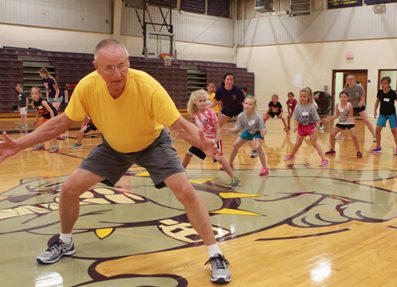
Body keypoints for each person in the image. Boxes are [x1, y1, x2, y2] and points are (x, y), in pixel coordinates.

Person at [0, 39, 231, 284]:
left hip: (153, 143)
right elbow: (61, 123)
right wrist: (19, 145)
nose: (117, 74)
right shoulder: (88, 87)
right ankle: (65, 242)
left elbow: (180, 125)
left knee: (185, 190)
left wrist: (204, 142)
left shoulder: (148, 87)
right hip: (113, 147)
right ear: (96, 66)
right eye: (108, 67)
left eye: (122, 65)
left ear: (129, 62)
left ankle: (215, 253)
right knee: (69, 189)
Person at [182, 89, 240, 187]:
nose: (203, 103)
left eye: (205, 100)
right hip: (201, 141)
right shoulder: (194, 114)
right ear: (194, 102)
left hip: (213, 140)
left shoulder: (211, 113)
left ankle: (234, 177)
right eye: (200, 101)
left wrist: (216, 140)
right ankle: (181, 174)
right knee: (188, 155)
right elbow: (195, 128)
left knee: (220, 158)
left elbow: (218, 128)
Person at [283, 87, 328, 167]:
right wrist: (296, 126)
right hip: (301, 127)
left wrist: (316, 128)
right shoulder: (297, 107)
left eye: (304, 96)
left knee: (314, 143)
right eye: (301, 96)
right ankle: (291, 155)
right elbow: (296, 119)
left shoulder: (311, 107)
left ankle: (324, 159)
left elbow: (317, 120)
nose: (302, 98)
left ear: (308, 98)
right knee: (297, 144)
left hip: (310, 127)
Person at [226, 96, 269, 176]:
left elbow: (263, 129)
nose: (247, 105)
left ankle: (264, 168)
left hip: (257, 132)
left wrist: (263, 133)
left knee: (258, 147)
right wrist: (231, 129)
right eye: (246, 103)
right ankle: (230, 164)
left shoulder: (258, 116)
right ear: (243, 104)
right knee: (235, 145)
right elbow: (238, 128)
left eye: (250, 104)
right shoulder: (241, 116)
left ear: (254, 106)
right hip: (248, 131)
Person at [372, 76, 397, 155]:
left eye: (384, 83)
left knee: (394, 131)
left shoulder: (393, 93)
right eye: (381, 83)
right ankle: (378, 146)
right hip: (382, 114)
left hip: (391, 114)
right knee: (377, 130)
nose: (382, 85)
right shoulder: (380, 92)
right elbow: (377, 101)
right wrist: (375, 111)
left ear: (388, 84)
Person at [324, 92, 362, 158]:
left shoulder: (349, 105)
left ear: (347, 98)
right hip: (341, 123)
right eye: (341, 97)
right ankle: (332, 150)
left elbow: (350, 115)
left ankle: (358, 151)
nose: (343, 98)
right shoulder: (337, 105)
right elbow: (337, 115)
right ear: (339, 98)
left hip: (349, 123)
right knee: (332, 134)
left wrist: (352, 119)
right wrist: (329, 119)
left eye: (344, 97)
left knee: (354, 136)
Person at [343, 74, 376, 140]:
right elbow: (344, 99)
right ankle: (340, 135)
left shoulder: (359, 87)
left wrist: (361, 102)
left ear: (354, 80)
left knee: (366, 120)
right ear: (346, 80)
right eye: (348, 80)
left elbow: (363, 97)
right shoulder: (345, 89)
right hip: (350, 106)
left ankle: (374, 135)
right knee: (343, 120)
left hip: (359, 106)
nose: (350, 81)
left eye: (351, 79)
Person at [30, 87, 59, 153]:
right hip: (46, 117)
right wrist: (36, 120)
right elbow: (37, 111)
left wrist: (53, 120)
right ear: (31, 94)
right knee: (40, 130)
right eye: (33, 93)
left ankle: (56, 147)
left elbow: (51, 111)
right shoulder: (34, 102)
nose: (34, 95)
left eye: (36, 93)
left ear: (39, 94)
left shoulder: (42, 102)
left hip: (52, 115)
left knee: (52, 131)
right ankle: (41, 145)